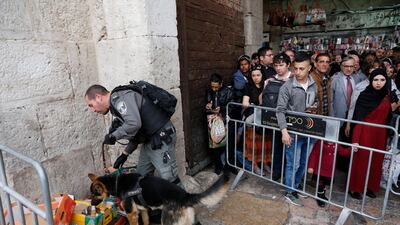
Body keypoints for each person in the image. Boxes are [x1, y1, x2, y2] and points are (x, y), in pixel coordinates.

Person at [84, 84, 179, 183]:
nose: (93, 110)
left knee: (170, 178)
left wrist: (114, 136)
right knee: (142, 177)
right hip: (150, 141)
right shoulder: (115, 103)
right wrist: (125, 154)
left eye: (91, 105)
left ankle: (185, 198)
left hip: (161, 138)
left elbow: (134, 124)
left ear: (98, 97)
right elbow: (139, 133)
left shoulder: (120, 99)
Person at [276, 53, 318, 206]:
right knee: (292, 163)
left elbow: (316, 105)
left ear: (309, 68)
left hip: (309, 132)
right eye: (296, 69)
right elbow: (280, 110)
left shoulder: (314, 84)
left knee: (302, 163)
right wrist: (284, 131)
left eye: (302, 69)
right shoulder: (287, 86)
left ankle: (297, 186)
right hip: (292, 133)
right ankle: (289, 190)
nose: (298, 72)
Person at [348, 69, 395, 199]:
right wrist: (355, 139)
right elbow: (358, 119)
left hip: (381, 134)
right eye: (375, 80)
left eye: (382, 80)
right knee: (362, 160)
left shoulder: (388, 95)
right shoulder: (364, 95)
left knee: (376, 161)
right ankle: (355, 188)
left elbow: (388, 116)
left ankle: (370, 186)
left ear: (386, 81)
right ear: (371, 81)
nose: (379, 83)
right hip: (365, 132)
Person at [260, 53, 291, 180]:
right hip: (274, 120)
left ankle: (289, 175)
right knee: (276, 147)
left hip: (290, 119)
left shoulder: (294, 79)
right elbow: (262, 98)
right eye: (276, 65)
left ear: (288, 65)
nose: (279, 68)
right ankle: (277, 171)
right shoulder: (270, 80)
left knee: (290, 149)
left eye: (282, 65)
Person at [205, 73, 232, 175]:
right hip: (213, 121)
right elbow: (208, 102)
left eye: (216, 87)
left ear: (221, 84)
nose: (214, 89)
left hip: (224, 120)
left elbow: (232, 106)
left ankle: (227, 166)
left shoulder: (228, 92)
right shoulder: (209, 91)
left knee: (226, 144)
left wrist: (223, 109)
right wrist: (208, 105)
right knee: (215, 144)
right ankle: (218, 165)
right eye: (212, 86)